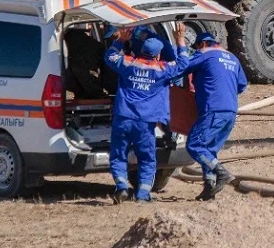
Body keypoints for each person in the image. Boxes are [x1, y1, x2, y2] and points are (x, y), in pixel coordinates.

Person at [104, 23, 189, 203]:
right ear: (158, 55)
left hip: (123, 117)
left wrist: (121, 41)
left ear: (140, 49)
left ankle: (121, 187)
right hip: (145, 122)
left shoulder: (128, 62)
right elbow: (183, 63)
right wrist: (180, 39)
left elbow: (109, 56)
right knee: (147, 159)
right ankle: (142, 195)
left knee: (118, 155)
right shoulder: (163, 69)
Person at [183, 31, 248, 201]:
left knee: (195, 145)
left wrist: (180, 45)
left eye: (197, 47)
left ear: (202, 44)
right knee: (209, 149)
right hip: (230, 112)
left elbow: (182, 67)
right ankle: (209, 187)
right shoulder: (232, 58)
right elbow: (242, 85)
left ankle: (221, 172)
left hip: (213, 109)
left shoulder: (205, 54)